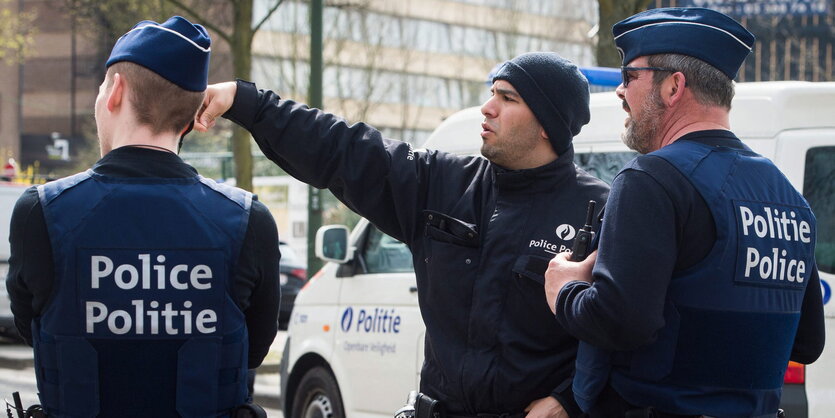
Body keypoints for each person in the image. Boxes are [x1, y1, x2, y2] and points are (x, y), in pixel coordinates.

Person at [195, 52, 609, 417]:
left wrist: (569, 399)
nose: (487, 107)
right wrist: (245, 101)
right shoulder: (442, 184)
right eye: (492, 93)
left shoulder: (603, 210)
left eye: (507, 98)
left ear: (547, 125)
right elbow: (343, 148)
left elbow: (628, 329)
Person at [544, 7, 825, 417]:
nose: (620, 92)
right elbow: (806, 344)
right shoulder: (787, 196)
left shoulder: (652, 178)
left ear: (673, 87)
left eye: (629, 77)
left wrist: (564, 290)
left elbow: (622, 322)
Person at [6, 16, 280, 417]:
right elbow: (253, 349)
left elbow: (32, 329)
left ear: (115, 92)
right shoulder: (247, 219)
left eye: (102, 88)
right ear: (190, 118)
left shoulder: (41, 212)